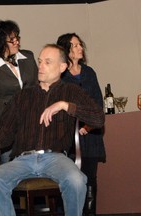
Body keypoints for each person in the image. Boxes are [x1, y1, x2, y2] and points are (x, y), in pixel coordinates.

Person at [0, 44, 105, 216]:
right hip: (23, 159)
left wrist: (65, 105)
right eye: (39, 61)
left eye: (47, 62)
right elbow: (5, 129)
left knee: (76, 180)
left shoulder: (71, 91)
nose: (40, 66)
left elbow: (98, 118)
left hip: (56, 158)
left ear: (62, 67)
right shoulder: (23, 95)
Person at [57, 33, 106, 216]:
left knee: (90, 179)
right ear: (66, 51)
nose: (80, 48)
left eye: (80, 44)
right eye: (75, 45)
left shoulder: (89, 72)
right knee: (71, 181)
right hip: (69, 138)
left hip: (91, 135)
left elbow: (98, 103)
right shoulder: (60, 78)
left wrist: (89, 125)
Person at [0, 19, 38, 164]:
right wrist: (15, 118)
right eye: (12, 40)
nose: (17, 41)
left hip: (31, 122)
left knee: (35, 165)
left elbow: (38, 87)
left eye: (17, 37)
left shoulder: (28, 57)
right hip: (3, 125)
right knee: (9, 168)